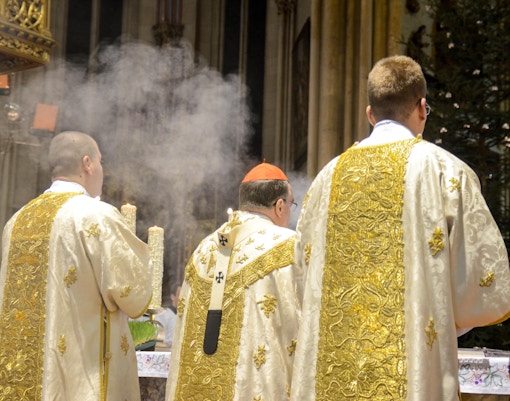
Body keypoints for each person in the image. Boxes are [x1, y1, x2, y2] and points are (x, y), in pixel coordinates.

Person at [290, 55, 510, 401]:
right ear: (423, 108)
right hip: (413, 372)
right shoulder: (446, 172)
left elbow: (302, 283)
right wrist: (434, 312)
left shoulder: (325, 180)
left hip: (332, 373)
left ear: (369, 113)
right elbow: (484, 283)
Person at [0, 131, 153, 400]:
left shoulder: (16, 221)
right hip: (80, 378)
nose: (102, 170)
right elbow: (133, 294)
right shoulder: (95, 215)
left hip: (20, 375)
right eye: (100, 161)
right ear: (87, 163)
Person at [166, 161, 302, 401]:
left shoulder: (204, 248)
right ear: (280, 206)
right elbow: (304, 319)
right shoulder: (288, 246)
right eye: (291, 205)